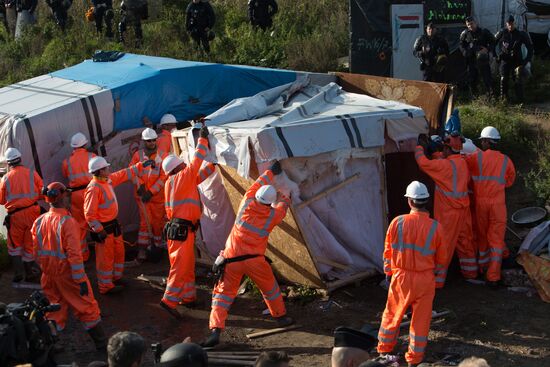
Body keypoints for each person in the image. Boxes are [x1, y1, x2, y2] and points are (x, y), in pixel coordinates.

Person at [202, 160, 293, 348]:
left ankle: (215, 330)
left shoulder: (246, 203)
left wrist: (270, 172)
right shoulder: (271, 217)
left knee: (222, 294)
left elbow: (256, 185)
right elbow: (283, 207)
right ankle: (281, 318)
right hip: (255, 261)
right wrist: (285, 196)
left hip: (231, 259)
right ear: (269, 203)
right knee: (270, 288)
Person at [377, 181, 446, 367]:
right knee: (421, 320)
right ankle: (414, 359)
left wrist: (388, 272)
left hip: (401, 277)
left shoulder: (397, 222)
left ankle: (385, 351)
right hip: (425, 279)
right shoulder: (436, 227)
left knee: (393, 313)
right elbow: (442, 259)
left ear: (409, 202)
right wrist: (437, 280)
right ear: (426, 201)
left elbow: (388, 251)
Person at [31, 182, 107, 350]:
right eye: (67, 195)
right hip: (68, 275)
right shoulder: (67, 222)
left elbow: (35, 253)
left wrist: (47, 269)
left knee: (53, 310)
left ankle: (50, 346)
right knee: (87, 307)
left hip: (48, 274)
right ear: (62, 197)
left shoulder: (38, 221)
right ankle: (102, 344)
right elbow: (74, 254)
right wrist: (80, 280)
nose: (69, 198)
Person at [159, 125, 215, 319]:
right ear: (177, 167)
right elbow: (197, 162)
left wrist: (214, 166)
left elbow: (197, 177)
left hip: (179, 230)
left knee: (186, 264)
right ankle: (169, 300)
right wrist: (203, 139)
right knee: (181, 267)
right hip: (181, 230)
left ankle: (188, 297)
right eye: (182, 164)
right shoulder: (182, 176)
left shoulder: (175, 181)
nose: (185, 165)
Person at [84, 156, 149, 294]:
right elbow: (89, 214)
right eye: (106, 168)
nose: (109, 169)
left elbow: (123, 173)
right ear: (101, 171)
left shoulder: (106, 181)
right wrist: (98, 229)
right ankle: (105, 286)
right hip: (104, 229)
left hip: (113, 225)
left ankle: (116, 278)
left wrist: (140, 166)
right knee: (105, 258)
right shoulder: (94, 188)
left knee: (119, 252)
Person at [415, 134, 474, 285]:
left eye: (443, 148)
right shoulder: (462, 162)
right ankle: (470, 272)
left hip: (448, 212)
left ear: (447, 149)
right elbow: (442, 161)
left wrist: (420, 147)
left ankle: (437, 280)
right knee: (465, 241)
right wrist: (435, 151)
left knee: (444, 245)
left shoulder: (444, 166)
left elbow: (423, 163)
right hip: (463, 209)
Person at [464, 126, 515, 287]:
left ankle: (483, 268)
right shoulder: (506, 161)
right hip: (498, 205)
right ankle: (493, 276)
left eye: (482, 141)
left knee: (482, 236)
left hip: (481, 204)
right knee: (496, 239)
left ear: (486, 141)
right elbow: (509, 181)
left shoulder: (476, 158)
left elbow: (461, 165)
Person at [0, 147, 43, 284]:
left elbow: (1, 200)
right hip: (32, 212)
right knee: (29, 243)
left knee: (14, 245)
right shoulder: (32, 173)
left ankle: (18, 273)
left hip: (15, 216)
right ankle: (29, 272)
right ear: (20, 159)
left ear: (8, 163)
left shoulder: (5, 178)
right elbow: (42, 191)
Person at [129, 128, 169, 262]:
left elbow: (164, 177)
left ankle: (158, 248)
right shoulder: (137, 156)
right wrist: (140, 186)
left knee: (158, 224)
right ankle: (142, 250)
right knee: (145, 224)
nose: (152, 143)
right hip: (142, 197)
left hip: (156, 198)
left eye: (153, 140)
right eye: (149, 141)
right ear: (144, 141)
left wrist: (151, 192)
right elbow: (132, 172)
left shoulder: (163, 156)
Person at [62, 133, 97, 262]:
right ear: (85, 144)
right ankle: (101, 250)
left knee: (80, 226)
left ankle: (83, 256)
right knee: (95, 220)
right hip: (91, 191)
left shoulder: (67, 162)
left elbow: (65, 174)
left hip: (75, 195)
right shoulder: (92, 156)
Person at [495, 16, 534, 102]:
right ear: (506, 24)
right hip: (505, 60)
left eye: (512, 24)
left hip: (517, 60)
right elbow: (492, 43)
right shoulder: (502, 33)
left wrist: (525, 61)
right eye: (509, 24)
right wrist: (496, 56)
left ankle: (520, 100)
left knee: (517, 80)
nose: (510, 26)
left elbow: (530, 48)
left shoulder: (521, 34)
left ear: (515, 23)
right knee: (504, 79)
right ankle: (503, 99)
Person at [459, 17, 496, 96]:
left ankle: (490, 97)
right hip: (471, 59)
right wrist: (465, 52)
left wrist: (487, 49)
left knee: (487, 78)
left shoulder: (484, 32)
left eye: (471, 23)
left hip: (483, 59)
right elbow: (461, 45)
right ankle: (475, 98)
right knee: (472, 79)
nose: (470, 26)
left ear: (476, 23)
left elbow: (493, 41)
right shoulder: (465, 34)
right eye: (468, 25)